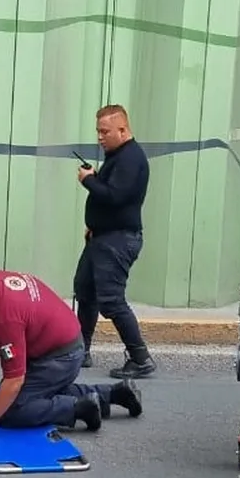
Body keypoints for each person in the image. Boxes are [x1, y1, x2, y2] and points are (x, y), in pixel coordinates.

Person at [0, 252, 142, 436]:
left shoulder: (5, 319)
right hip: (57, 345)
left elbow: (14, 381)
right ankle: (116, 393)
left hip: (61, 356)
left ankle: (79, 409)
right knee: (38, 392)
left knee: (13, 410)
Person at [74, 104, 154, 379]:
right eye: (98, 131)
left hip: (118, 241)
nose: (100, 137)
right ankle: (79, 351)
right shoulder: (118, 155)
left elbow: (115, 196)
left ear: (122, 129)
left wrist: (88, 180)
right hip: (103, 237)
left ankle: (140, 357)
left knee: (111, 301)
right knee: (85, 292)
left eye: (105, 131)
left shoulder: (131, 158)